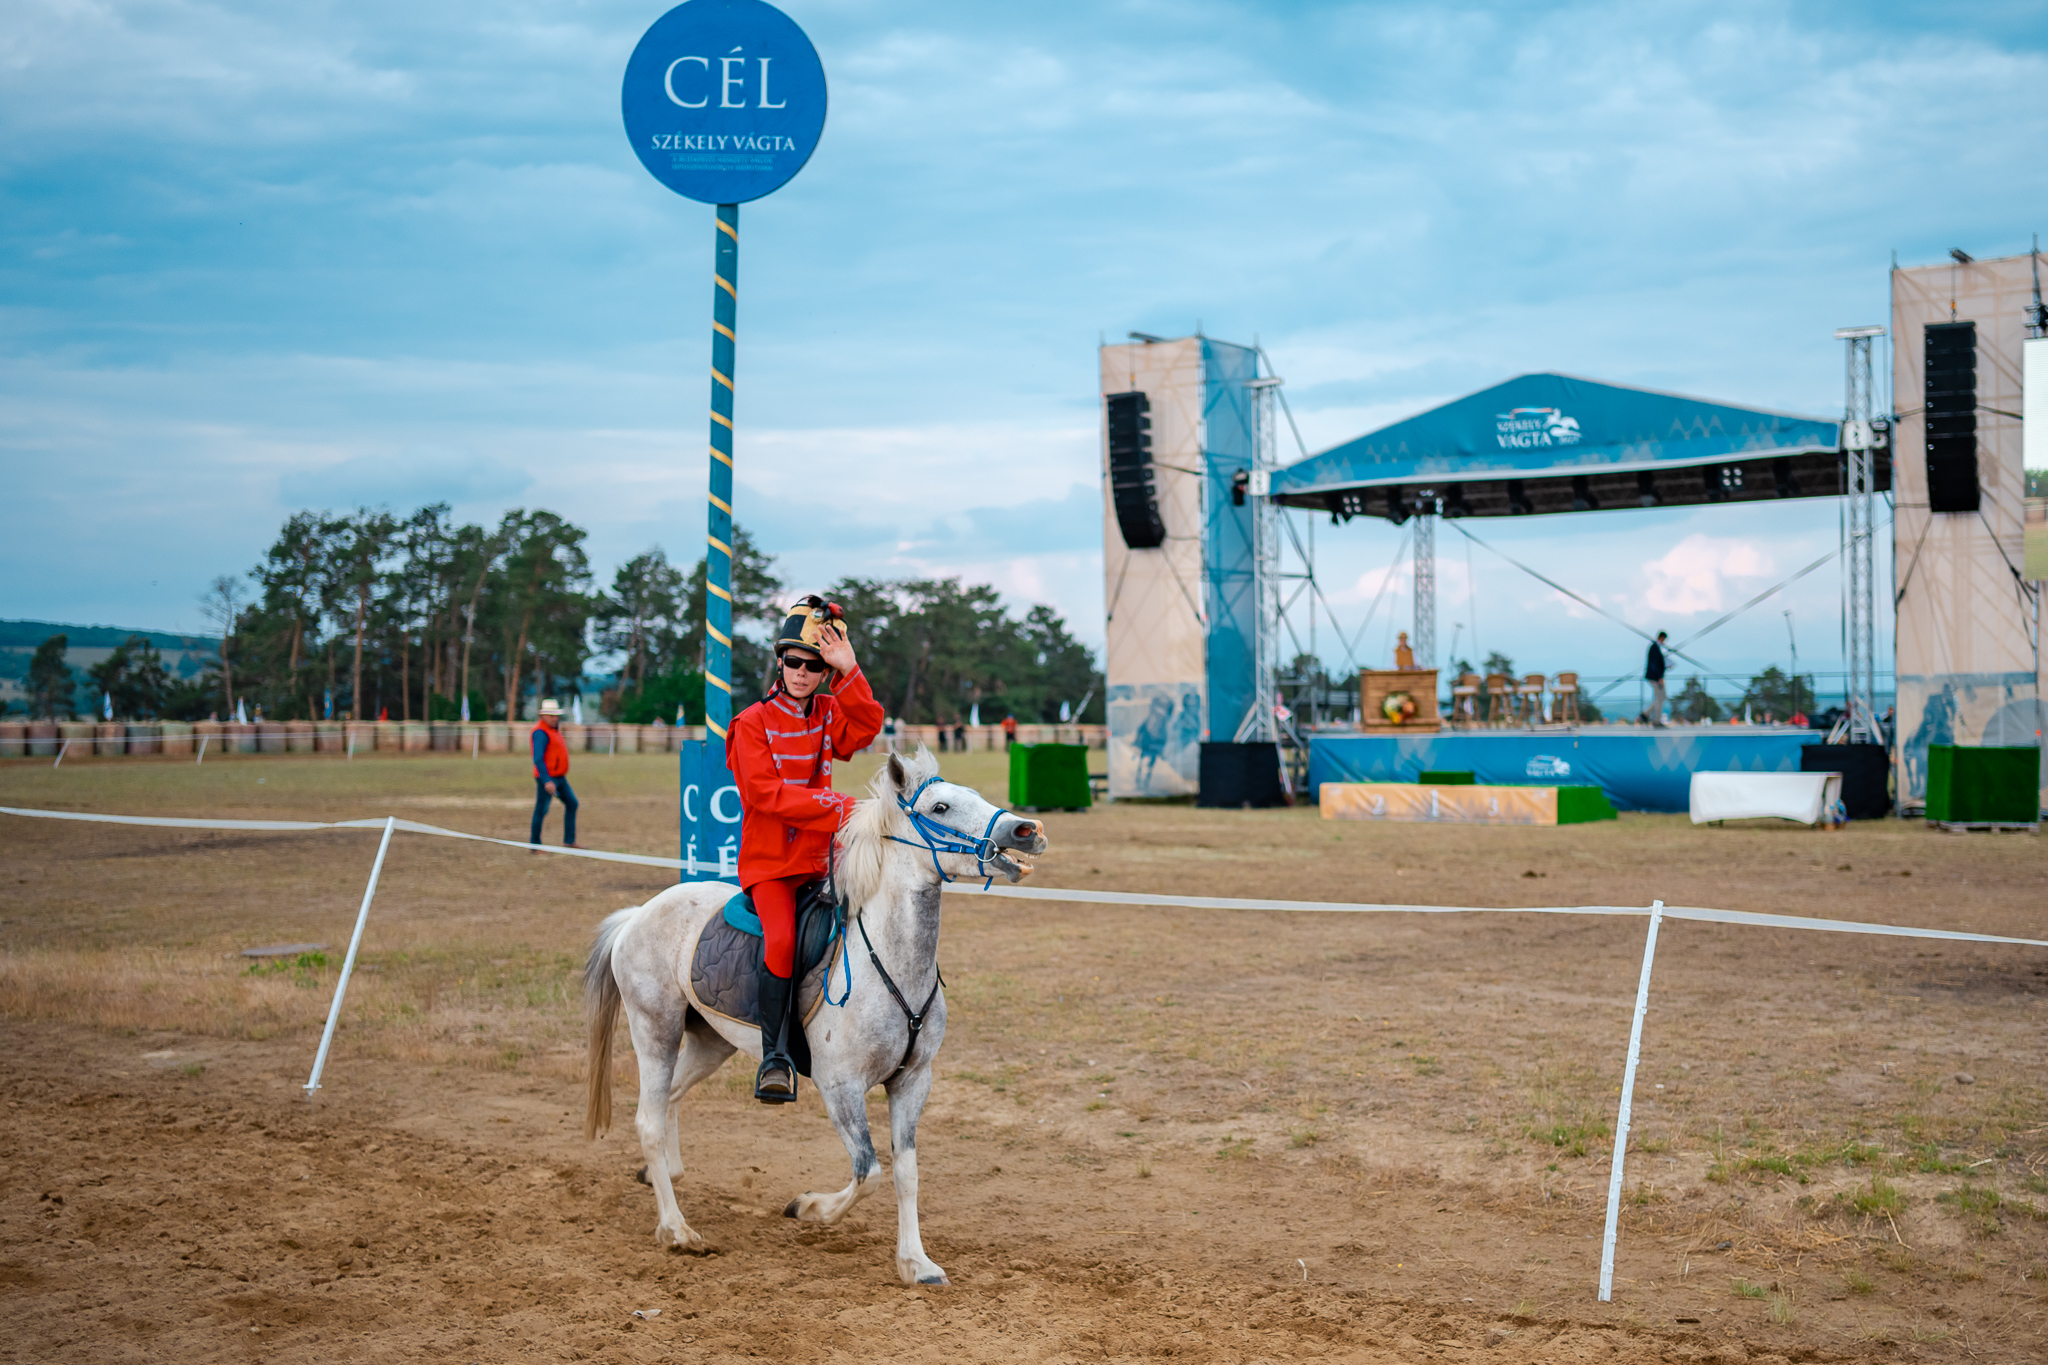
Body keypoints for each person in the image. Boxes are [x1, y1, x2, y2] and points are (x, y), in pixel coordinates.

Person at [727, 595, 884, 1103]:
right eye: (793, 661)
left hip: (821, 863)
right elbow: (764, 796)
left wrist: (850, 670)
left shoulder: (828, 710)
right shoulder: (750, 722)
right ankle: (775, 1058)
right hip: (771, 866)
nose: (800, 671)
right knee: (780, 944)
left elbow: (865, 729)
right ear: (780, 661)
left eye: (813, 664)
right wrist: (836, 806)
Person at [530, 698, 579, 847]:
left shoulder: (554, 730)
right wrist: (546, 780)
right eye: (551, 715)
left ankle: (569, 841)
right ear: (543, 716)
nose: (555, 718)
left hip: (560, 777)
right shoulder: (540, 732)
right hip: (548, 778)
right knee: (541, 810)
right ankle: (535, 845)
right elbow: (538, 759)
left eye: (556, 715)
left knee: (572, 803)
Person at [1641, 631, 1668, 727]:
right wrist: (1659, 677)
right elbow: (1655, 665)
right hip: (1655, 678)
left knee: (1661, 698)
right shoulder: (1655, 648)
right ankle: (1655, 720)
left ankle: (1647, 714)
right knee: (1660, 698)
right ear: (1662, 638)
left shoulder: (1655, 647)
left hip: (1655, 677)